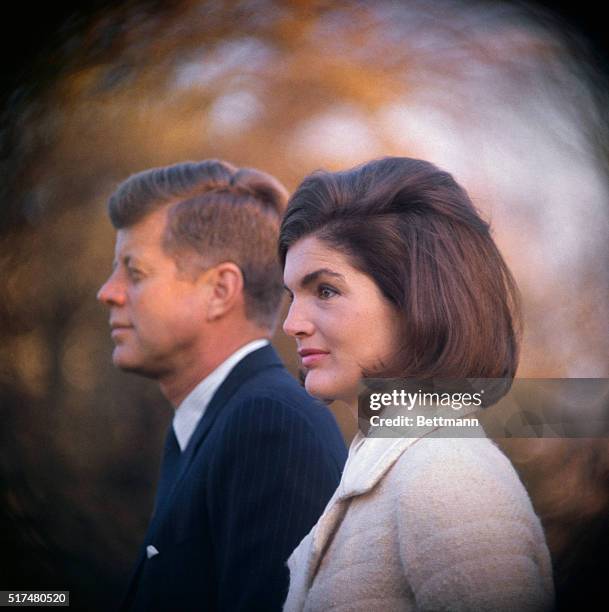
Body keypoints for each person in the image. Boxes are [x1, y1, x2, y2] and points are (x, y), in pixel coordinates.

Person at [279, 157, 555, 611]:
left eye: (325, 290)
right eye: (293, 296)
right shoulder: (390, 469)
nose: (292, 323)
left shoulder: (448, 473)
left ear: (415, 299)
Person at [96, 159, 347, 612]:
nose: (108, 292)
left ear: (220, 291)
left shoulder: (271, 427)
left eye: (134, 273)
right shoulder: (212, 424)